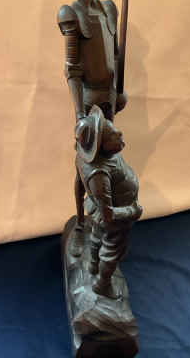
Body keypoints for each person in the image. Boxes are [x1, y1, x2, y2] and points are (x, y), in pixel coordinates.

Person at [58, 0, 128, 256]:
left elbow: (114, 57)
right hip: (89, 106)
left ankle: (104, 219)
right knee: (84, 165)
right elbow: (73, 70)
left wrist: (119, 92)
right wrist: (80, 116)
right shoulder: (71, 14)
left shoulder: (109, 10)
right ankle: (82, 222)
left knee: (109, 162)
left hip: (108, 102)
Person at [75, 106, 142, 299]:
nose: (119, 133)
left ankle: (93, 264)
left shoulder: (104, 156)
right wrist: (132, 211)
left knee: (97, 234)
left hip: (100, 211)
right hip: (114, 218)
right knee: (112, 249)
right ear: (100, 145)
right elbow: (108, 215)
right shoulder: (98, 174)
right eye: (113, 135)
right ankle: (102, 284)